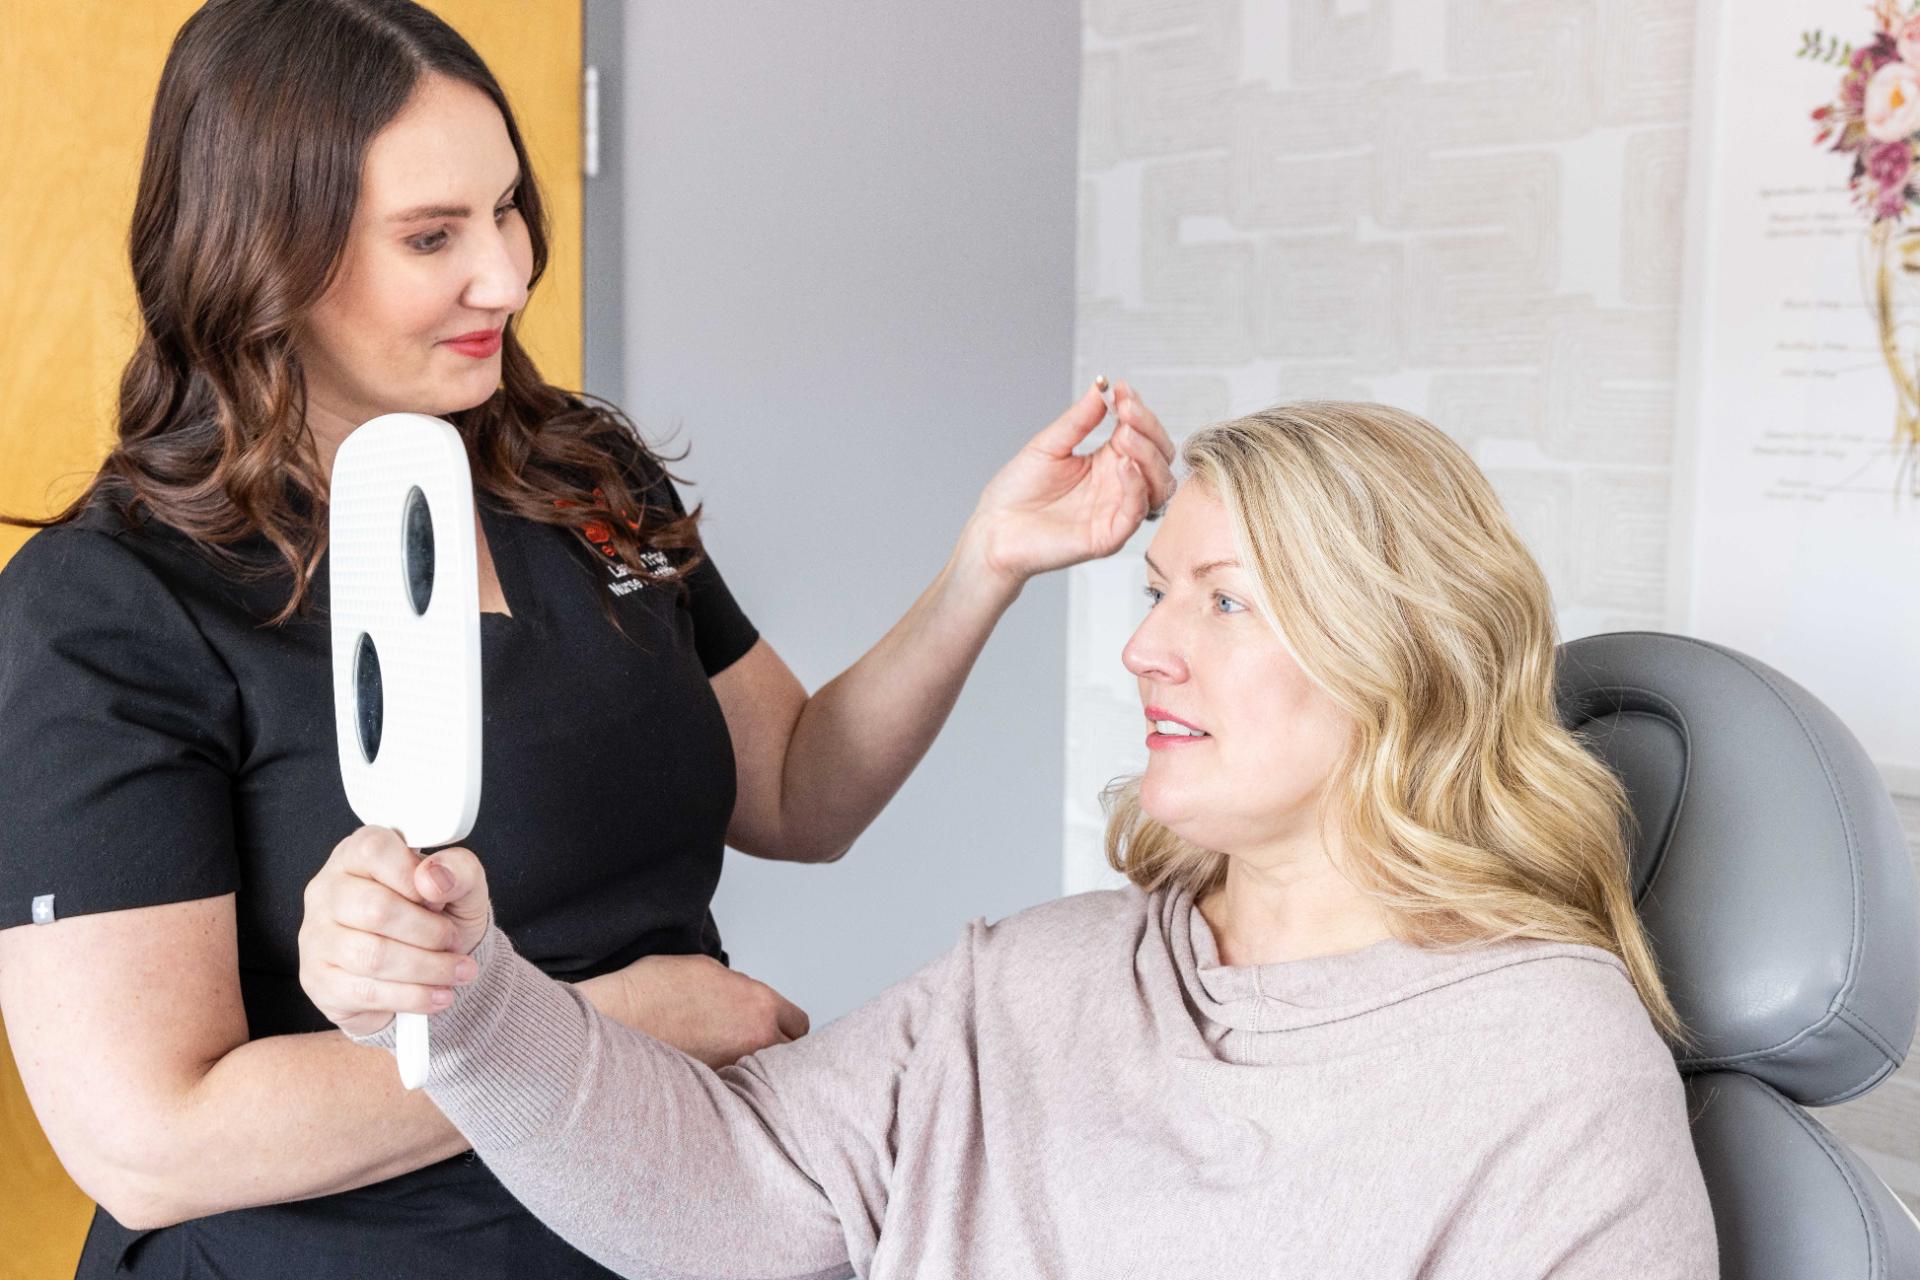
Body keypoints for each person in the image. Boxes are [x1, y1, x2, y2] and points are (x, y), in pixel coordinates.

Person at [0, 2, 1174, 1276]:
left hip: (671, 1205)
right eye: (431, 235)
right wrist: (619, 1025)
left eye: (506, 208)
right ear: (259, 253)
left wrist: (986, 564)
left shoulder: (579, 469)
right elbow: (152, 1142)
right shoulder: (110, 603)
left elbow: (794, 790)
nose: (504, 274)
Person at [302, 401, 1721, 1280]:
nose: (1145, 648)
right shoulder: (1037, 983)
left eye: (1222, 601)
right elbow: (734, 1203)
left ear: (1403, 651)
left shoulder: (1547, 1071)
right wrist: (470, 1000)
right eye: (1159, 592)